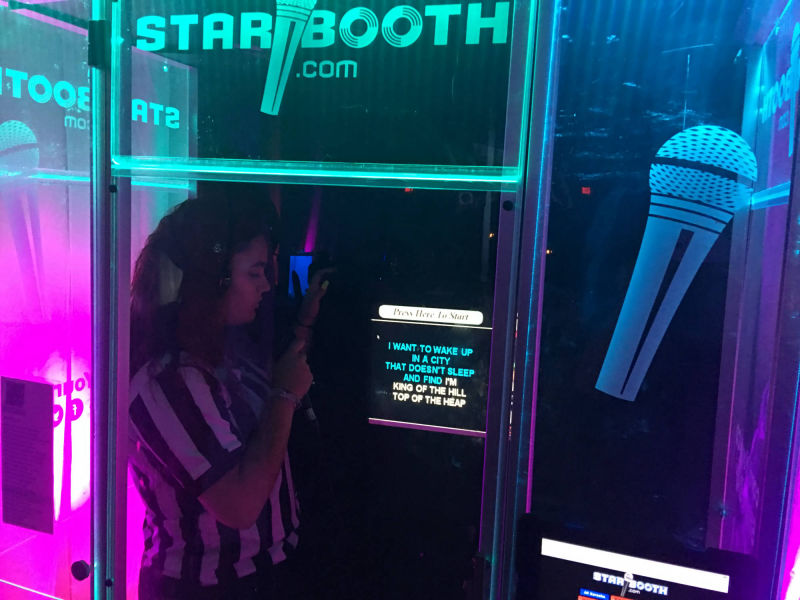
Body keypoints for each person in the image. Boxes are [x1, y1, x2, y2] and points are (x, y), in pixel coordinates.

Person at [128, 184, 329, 599]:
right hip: (207, 587)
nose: (266, 286)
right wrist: (284, 397)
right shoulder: (165, 382)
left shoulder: (223, 346)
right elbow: (239, 505)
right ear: (211, 280)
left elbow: (284, 379)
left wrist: (306, 321)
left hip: (263, 573)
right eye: (254, 273)